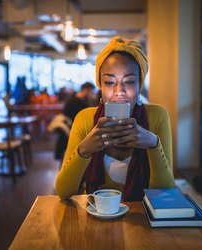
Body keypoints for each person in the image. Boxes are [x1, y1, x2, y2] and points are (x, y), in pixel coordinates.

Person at [55, 36, 175, 201]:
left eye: (130, 81)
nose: (119, 91)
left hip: (145, 219)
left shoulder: (157, 117)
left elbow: (166, 192)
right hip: (96, 215)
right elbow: (63, 191)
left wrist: (153, 144)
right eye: (110, 82)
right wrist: (84, 150)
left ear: (139, 85)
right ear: (101, 86)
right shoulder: (85, 119)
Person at [48, 82, 96, 161]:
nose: (92, 94)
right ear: (85, 90)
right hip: (70, 130)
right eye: (91, 91)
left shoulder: (75, 98)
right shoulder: (76, 101)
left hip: (69, 128)